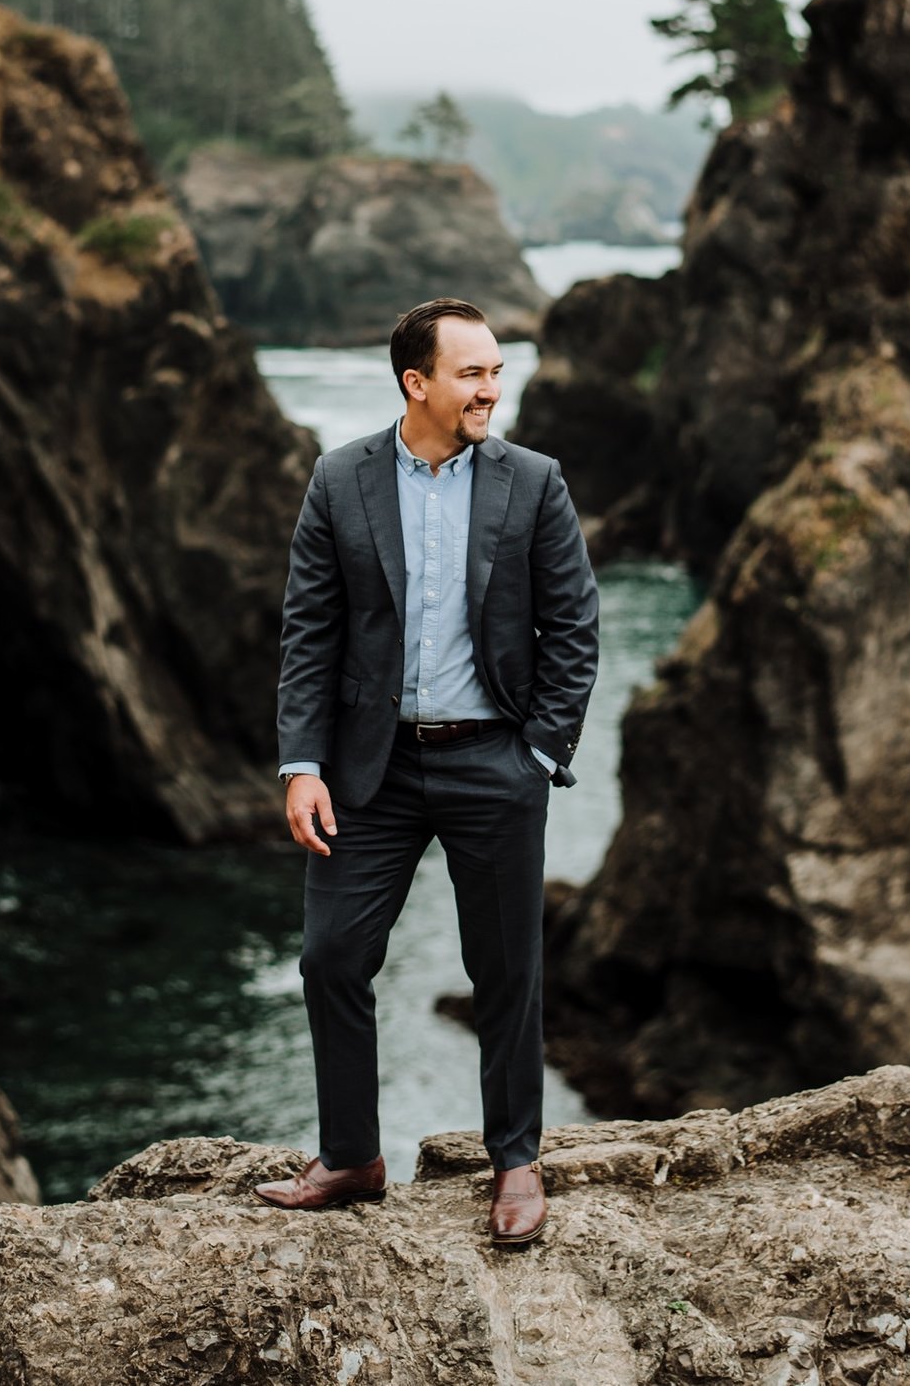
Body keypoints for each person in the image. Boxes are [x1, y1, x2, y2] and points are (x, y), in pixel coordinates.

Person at [252, 296, 601, 1246]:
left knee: (506, 973)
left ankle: (516, 1164)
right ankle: (351, 1156)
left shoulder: (533, 482)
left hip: (495, 760)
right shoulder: (341, 478)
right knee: (331, 957)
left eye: (495, 370)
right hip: (369, 771)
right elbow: (310, 633)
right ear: (419, 384)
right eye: (473, 373)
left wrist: (537, 755)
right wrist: (303, 764)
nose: (493, 387)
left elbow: (574, 628)